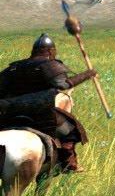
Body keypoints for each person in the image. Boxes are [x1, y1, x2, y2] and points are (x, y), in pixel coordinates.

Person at [0, 35, 93, 173]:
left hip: (9, 113)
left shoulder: (14, 67)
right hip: (40, 113)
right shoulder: (49, 64)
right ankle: (68, 164)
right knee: (71, 130)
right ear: (50, 51)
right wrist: (87, 74)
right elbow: (62, 84)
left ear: (34, 51)